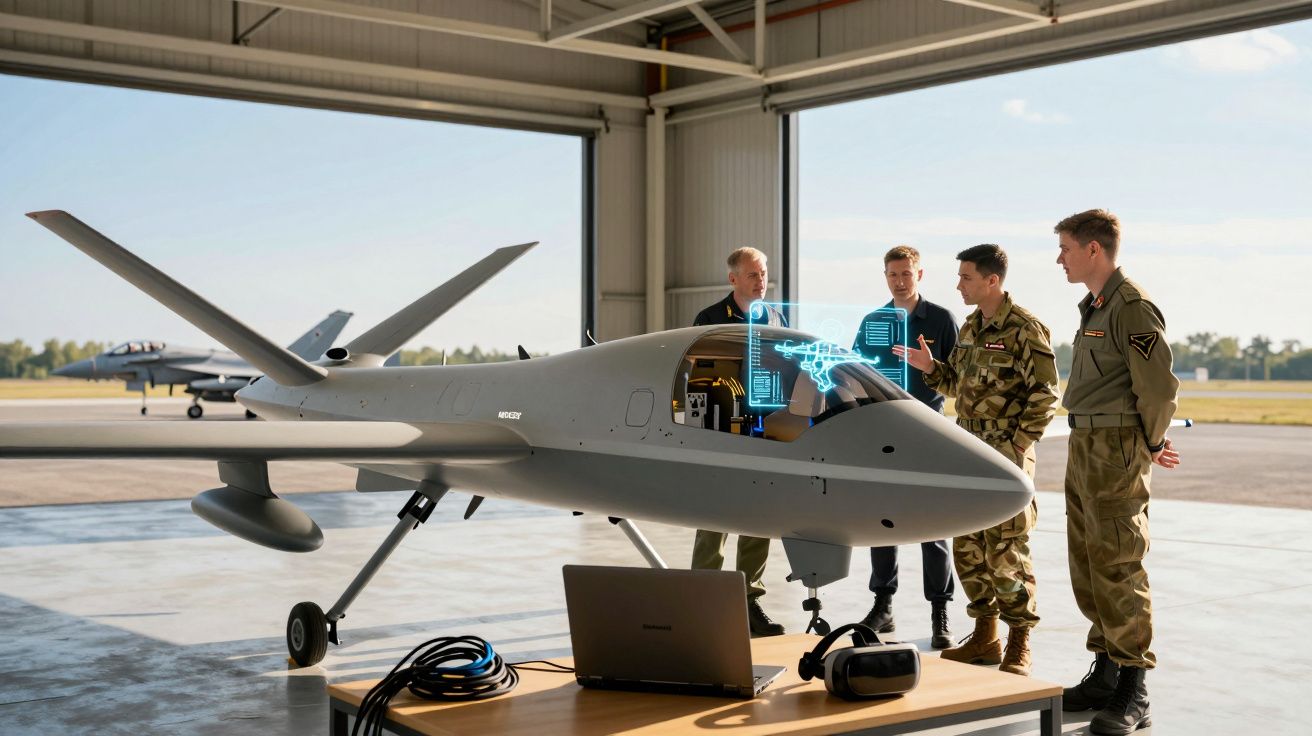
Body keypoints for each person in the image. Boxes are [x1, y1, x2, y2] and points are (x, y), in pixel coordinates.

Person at [895, 244, 1059, 677]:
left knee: (1007, 548)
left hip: (1004, 453)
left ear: (992, 280)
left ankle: (1019, 641)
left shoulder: (1024, 328)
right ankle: (986, 636)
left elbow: (1046, 394)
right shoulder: (970, 327)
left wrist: (1019, 444)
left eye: (966, 277)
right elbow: (957, 385)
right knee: (969, 546)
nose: (959, 285)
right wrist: (931, 368)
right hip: (968, 449)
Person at [1054, 210, 1180, 735]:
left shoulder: (1131, 306)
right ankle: (1106, 672)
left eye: (1065, 248)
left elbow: (1158, 389)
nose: (1059, 258)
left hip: (1116, 448)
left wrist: (1151, 441)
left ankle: (1135, 687)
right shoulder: (1097, 306)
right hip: (1086, 444)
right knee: (1088, 561)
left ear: (1093, 250)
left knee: (1120, 563)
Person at [852, 245, 958, 649]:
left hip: (928, 431)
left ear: (920, 275)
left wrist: (930, 368)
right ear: (885, 276)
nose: (899, 281)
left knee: (934, 523)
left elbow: (959, 378)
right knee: (884, 518)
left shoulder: (942, 320)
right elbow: (855, 373)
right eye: (893, 274)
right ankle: (883, 605)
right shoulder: (873, 322)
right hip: (884, 432)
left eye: (906, 274)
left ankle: (939, 610)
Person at [689, 246, 787, 637]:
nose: (761, 280)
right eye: (752, 274)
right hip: (720, 430)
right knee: (714, 519)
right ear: (733, 279)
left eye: (763, 273)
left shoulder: (776, 317)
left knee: (758, 518)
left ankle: (749, 600)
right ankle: (704, 602)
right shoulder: (710, 318)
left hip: (765, 430)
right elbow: (697, 379)